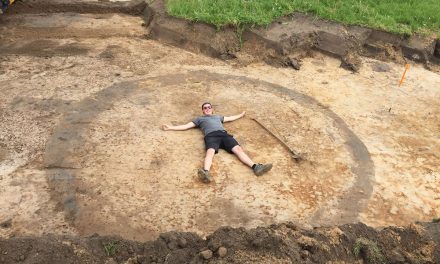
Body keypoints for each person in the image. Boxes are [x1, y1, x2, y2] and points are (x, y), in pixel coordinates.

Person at [162, 102, 272, 183]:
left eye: (209, 107)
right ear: (203, 110)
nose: (207, 109)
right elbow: (186, 126)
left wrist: (241, 114)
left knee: (238, 149)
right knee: (210, 152)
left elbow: (230, 118)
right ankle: (205, 172)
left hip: (224, 135)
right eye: (205, 108)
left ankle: (256, 167)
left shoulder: (218, 117)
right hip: (211, 136)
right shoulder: (199, 119)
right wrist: (171, 127)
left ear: (212, 109)